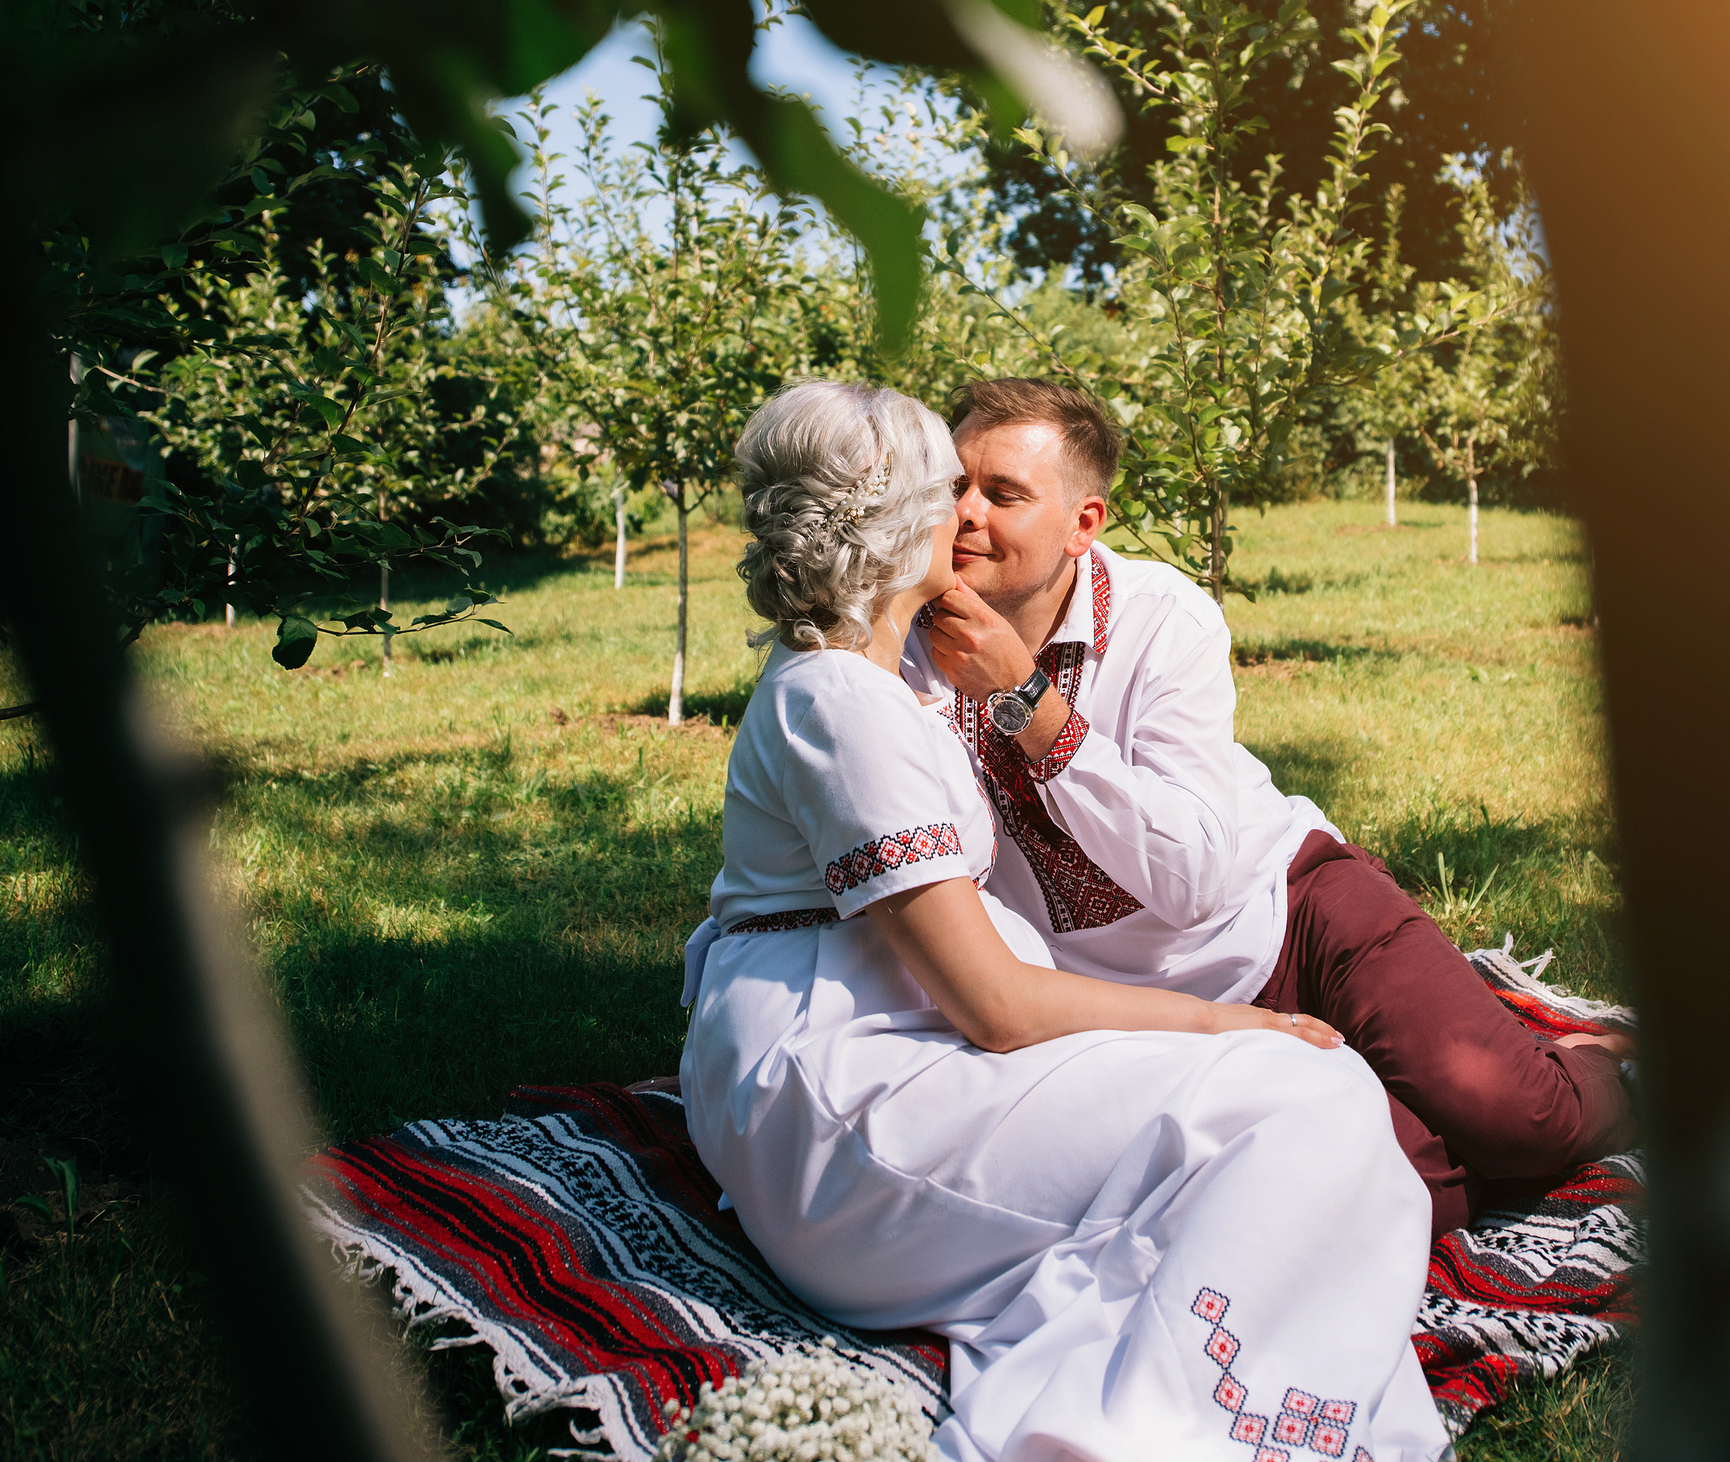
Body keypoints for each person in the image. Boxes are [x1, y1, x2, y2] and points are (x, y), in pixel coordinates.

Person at [680, 380, 1451, 1462]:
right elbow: (996, 1005)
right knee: (1305, 1100)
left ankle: (1190, 1384)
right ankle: (1133, 1430)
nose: (974, 516)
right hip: (846, 1112)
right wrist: (1231, 1026)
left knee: (1306, 1110)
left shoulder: (872, 682)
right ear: (904, 522)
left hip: (895, 1047)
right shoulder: (840, 704)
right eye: (954, 489)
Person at [902, 378, 1634, 1239]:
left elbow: (1195, 883)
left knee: (1518, 1116)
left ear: (1083, 525)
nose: (968, 513)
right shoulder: (907, 645)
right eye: (956, 486)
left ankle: (1593, 1064)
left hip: (1288, 916)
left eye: (1004, 493)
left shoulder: (1163, 620)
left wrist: (1026, 700)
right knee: (1321, 1200)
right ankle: (1414, 1085)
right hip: (1139, 1020)